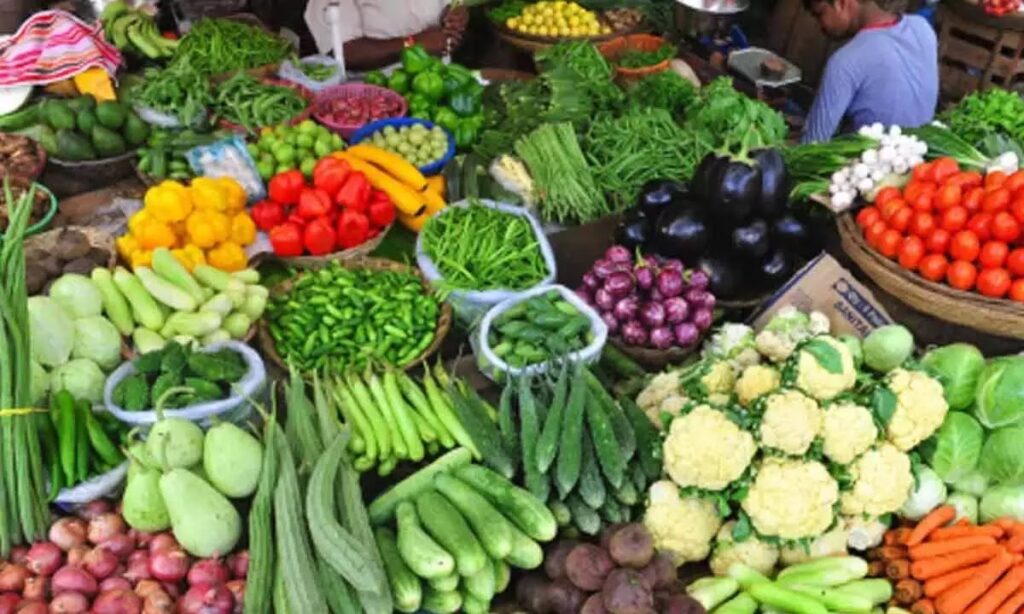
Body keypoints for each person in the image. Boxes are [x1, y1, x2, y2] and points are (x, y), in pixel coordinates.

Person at [801, 0, 937, 143]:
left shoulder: (845, 61)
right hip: (924, 156)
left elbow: (812, 144)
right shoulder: (922, 28)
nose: (820, 25)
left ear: (842, 3)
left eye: (820, 14)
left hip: (872, 162)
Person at [302, 0, 469, 71]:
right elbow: (344, 52)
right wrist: (413, 43)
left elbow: (450, 5)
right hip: (375, 96)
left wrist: (454, 16)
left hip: (441, 81)